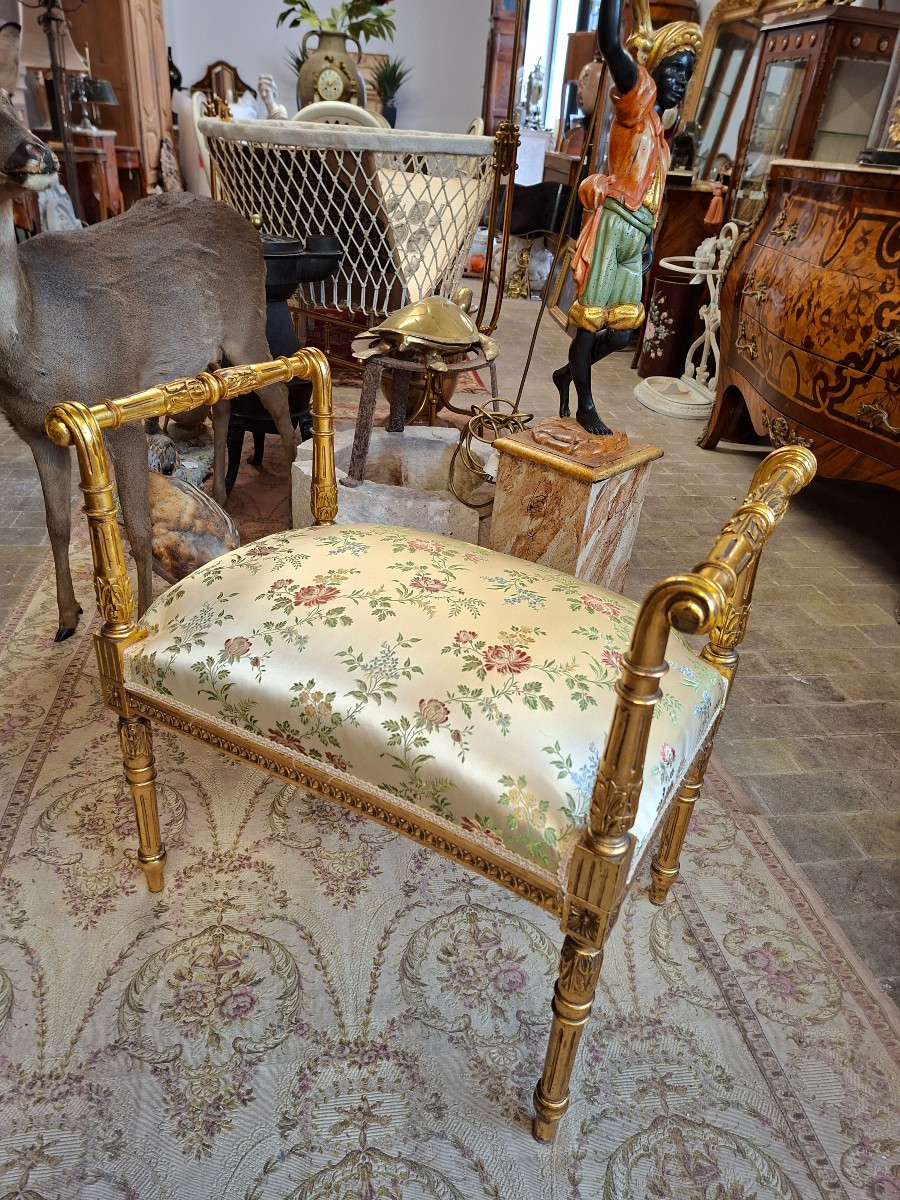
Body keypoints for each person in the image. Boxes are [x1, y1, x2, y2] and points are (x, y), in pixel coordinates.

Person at [553, 0, 702, 435]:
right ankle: (585, 404)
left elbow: (652, 192)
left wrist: (650, 244)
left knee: (620, 333)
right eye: (674, 69)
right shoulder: (638, 101)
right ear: (653, 68)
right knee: (589, 324)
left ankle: (567, 374)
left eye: (687, 75)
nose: (680, 81)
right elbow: (610, 43)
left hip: (637, 235)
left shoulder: (658, 127)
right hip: (614, 226)